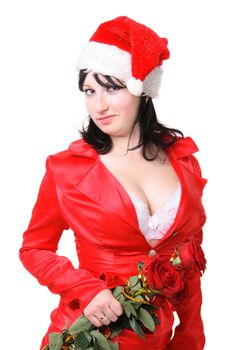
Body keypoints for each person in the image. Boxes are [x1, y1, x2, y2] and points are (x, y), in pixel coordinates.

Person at [19, 16, 207, 350]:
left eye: (112, 88)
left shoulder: (183, 163)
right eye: (90, 91)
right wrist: (85, 289)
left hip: (158, 338)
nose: (99, 105)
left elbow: (189, 260)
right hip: (87, 337)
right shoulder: (67, 170)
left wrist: (191, 335)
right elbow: (35, 249)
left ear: (142, 90)